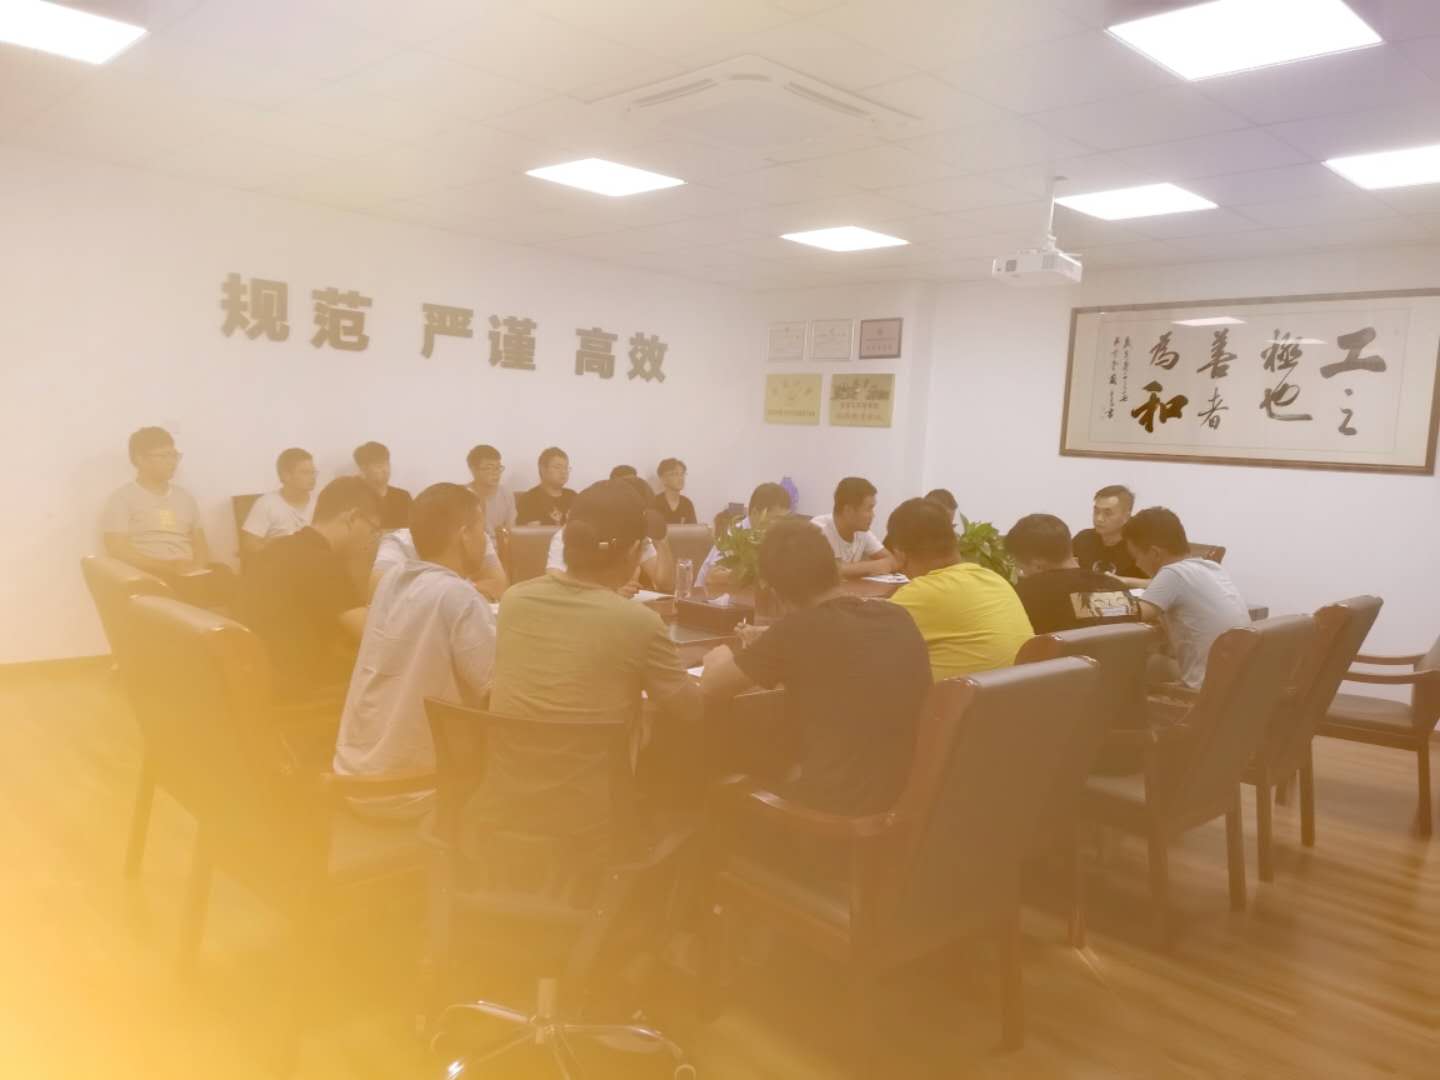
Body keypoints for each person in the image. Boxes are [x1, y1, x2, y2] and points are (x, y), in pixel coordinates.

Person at [700, 518, 931, 815]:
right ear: (833, 568)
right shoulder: (897, 616)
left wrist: (719, 655)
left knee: (725, 751)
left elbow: (712, 686)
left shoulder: (798, 630)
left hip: (835, 808)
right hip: (902, 796)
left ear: (777, 592)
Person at [334, 483, 497, 817]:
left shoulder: (392, 581)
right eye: (483, 529)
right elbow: (494, 692)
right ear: (464, 535)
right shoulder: (458, 596)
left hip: (353, 778)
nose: (486, 539)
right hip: (411, 789)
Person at [239, 476, 380, 702]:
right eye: (374, 530)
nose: (372, 540)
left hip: (258, 677)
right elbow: (374, 636)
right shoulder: (322, 562)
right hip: (301, 686)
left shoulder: (275, 549)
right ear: (353, 517)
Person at [884, 498, 1034, 681]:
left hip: (959, 698)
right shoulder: (994, 579)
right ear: (955, 541)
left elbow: (866, 646)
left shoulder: (918, 594)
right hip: (1020, 692)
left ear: (899, 553)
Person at [1123, 507, 1249, 689]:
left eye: (1136, 556)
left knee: (1133, 665)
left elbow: (1134, 613)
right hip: (1238, 684)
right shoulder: (1211, 567)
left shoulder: (1172, 574)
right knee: (1155, 662)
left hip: (1205, 690)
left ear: (1155, 553)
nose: (1136, 564)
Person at [102, 427, 223, 588]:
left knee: (225, 575)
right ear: (140, 459)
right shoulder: (122, 498)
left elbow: (200, 543)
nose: (172, 462)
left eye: (174, 455)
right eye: (164, 456)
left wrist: (198, 566)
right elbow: (117, 549)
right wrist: (167, 567)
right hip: (150, 574)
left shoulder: (185, 497)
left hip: (188, 572)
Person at [1004, 513, 1140, 634]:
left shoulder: (1025, 595)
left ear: (1037, 565)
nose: (1021, 574)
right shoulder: (1117, 588)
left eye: (1020, 567)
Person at [544, 474, 673, 593]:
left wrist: (662, 542)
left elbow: (666, 585)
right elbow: (555, 585)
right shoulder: (575, 532)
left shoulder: (635, 534)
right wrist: (611, 592)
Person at [369, 519, 508, 601]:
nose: (483, 532)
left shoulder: (477, 537)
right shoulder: (398, 541)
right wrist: (466, 589)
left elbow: (499, 586)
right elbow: (380, 590)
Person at [697, 481, 792, 591]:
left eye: (785, 519)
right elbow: (713, 576)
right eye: (776, 519)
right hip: (708, 597)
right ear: (755, 512)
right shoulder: (734, 535)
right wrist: (752, 576)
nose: (781, 525)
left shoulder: (773, 537)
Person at [810, 477, 896, 579]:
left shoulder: (862, 531)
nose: (873, 515)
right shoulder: (817, 529)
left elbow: (892, 561)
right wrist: (873, 566)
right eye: (869, 509)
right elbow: (829, 570)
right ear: (848, 510)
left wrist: (849, 569)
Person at [240, 447, 317, 559]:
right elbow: (250, 546)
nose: (313, 477)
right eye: (305, 473)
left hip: (315, 562)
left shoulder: (320, 502)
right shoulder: (266, 503)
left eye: (313, 472)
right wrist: (279, 545)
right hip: (280, 563)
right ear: (285, 476)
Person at [1073, 484, 1146, 583]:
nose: (1099, 518)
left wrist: (1123, 581)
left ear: (1126, 516)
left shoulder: (1139, 545)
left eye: (1108, 513)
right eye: (1096, 511)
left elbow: (1158, 582)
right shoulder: (1083, 539)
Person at [353, 441, 412, 530]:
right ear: (363, 469)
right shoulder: (354, 498)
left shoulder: (403, 497)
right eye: (379, 466)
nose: (385, 470)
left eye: (387, 464)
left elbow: (411, 530)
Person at [516, 446, 576, 526]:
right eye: (557, 467)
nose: (564, 472)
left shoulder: (573, 497)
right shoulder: (528, 500)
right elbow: (528, 532)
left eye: (566, 467)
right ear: (543, 469)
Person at [465, 444, 516, 534]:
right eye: (489, 468)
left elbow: (511, 530)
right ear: (473, 469)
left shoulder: (506, 494)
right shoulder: (464, 495)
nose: (496, 473)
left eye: (498, 468)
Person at [654, 458, 697, 525]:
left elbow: (694, 530)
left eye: (682, 474)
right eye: (675, 474)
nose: (680, 478)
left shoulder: (687, 504)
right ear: (663, 479)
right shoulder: (655, 503)